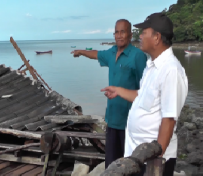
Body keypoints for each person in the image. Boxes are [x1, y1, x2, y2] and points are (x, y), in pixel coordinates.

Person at [101, 13, 188, 176]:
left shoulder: (171, 70)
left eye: (143, 32)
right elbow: (142, 96)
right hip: (138, 155)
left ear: (156, 37)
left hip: (152, 161)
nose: (139, 36)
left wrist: (157, 160)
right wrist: (119, 91)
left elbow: (169, 119)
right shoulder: (151, 66)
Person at [71, 19, 147, 168]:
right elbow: (96, 54)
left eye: (123, 32)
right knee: (111, 165)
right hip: (112, 121)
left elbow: (145, 91)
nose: (119, 35)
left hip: (131, 123)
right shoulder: (112, 53)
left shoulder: (138, 56)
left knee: (131, 166)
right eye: (116, 32)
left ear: (130, 35)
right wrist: (81, 52)